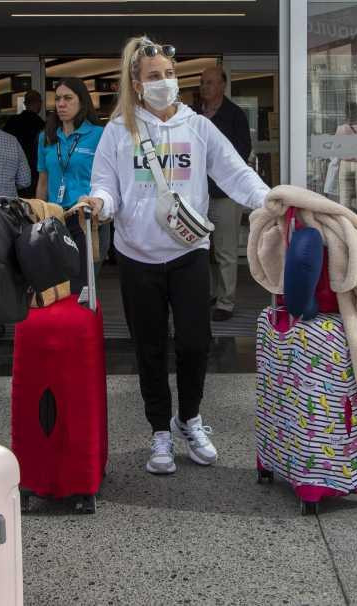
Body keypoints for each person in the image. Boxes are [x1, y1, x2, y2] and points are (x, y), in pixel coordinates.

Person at [80, 37, 268, 476]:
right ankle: (159, 431)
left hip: (188, 253)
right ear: (136, 82)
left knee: (194, 343)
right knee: (148, 348)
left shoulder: (197, 126)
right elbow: (105, 183)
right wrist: (100, 205)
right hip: (137, 257)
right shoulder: (118, 130)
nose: (164, 83)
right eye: (153, 77)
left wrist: (270, 200)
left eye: (168, 74)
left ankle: (191, 419)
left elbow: (234, 171)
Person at [35, 77, 108, 279]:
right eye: (58, 98)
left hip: (86, 218)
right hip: (54, 218)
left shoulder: (100, 134)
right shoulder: (46, 137)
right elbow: (43, 180)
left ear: (82, 102)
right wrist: (39, 215)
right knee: (57, 284)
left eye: (68, 98)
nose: (61, 104)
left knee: (85, 285)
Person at [195, 65, 252, 322]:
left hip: (226, 194)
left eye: (210, 82)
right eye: (202, 82)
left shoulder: (235, 115)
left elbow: (241, 153)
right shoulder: (193, 115)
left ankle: (226, 302)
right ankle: (207, 293)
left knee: (225, 251)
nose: (204, 87)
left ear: (222, 85)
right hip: (197, 194)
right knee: (198, 247)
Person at [4, 89, 44, 198]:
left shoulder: (12, 122)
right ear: (39, 103)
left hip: (12, 171)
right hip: (35, 173)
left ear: (25, 103)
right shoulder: (41, 125)